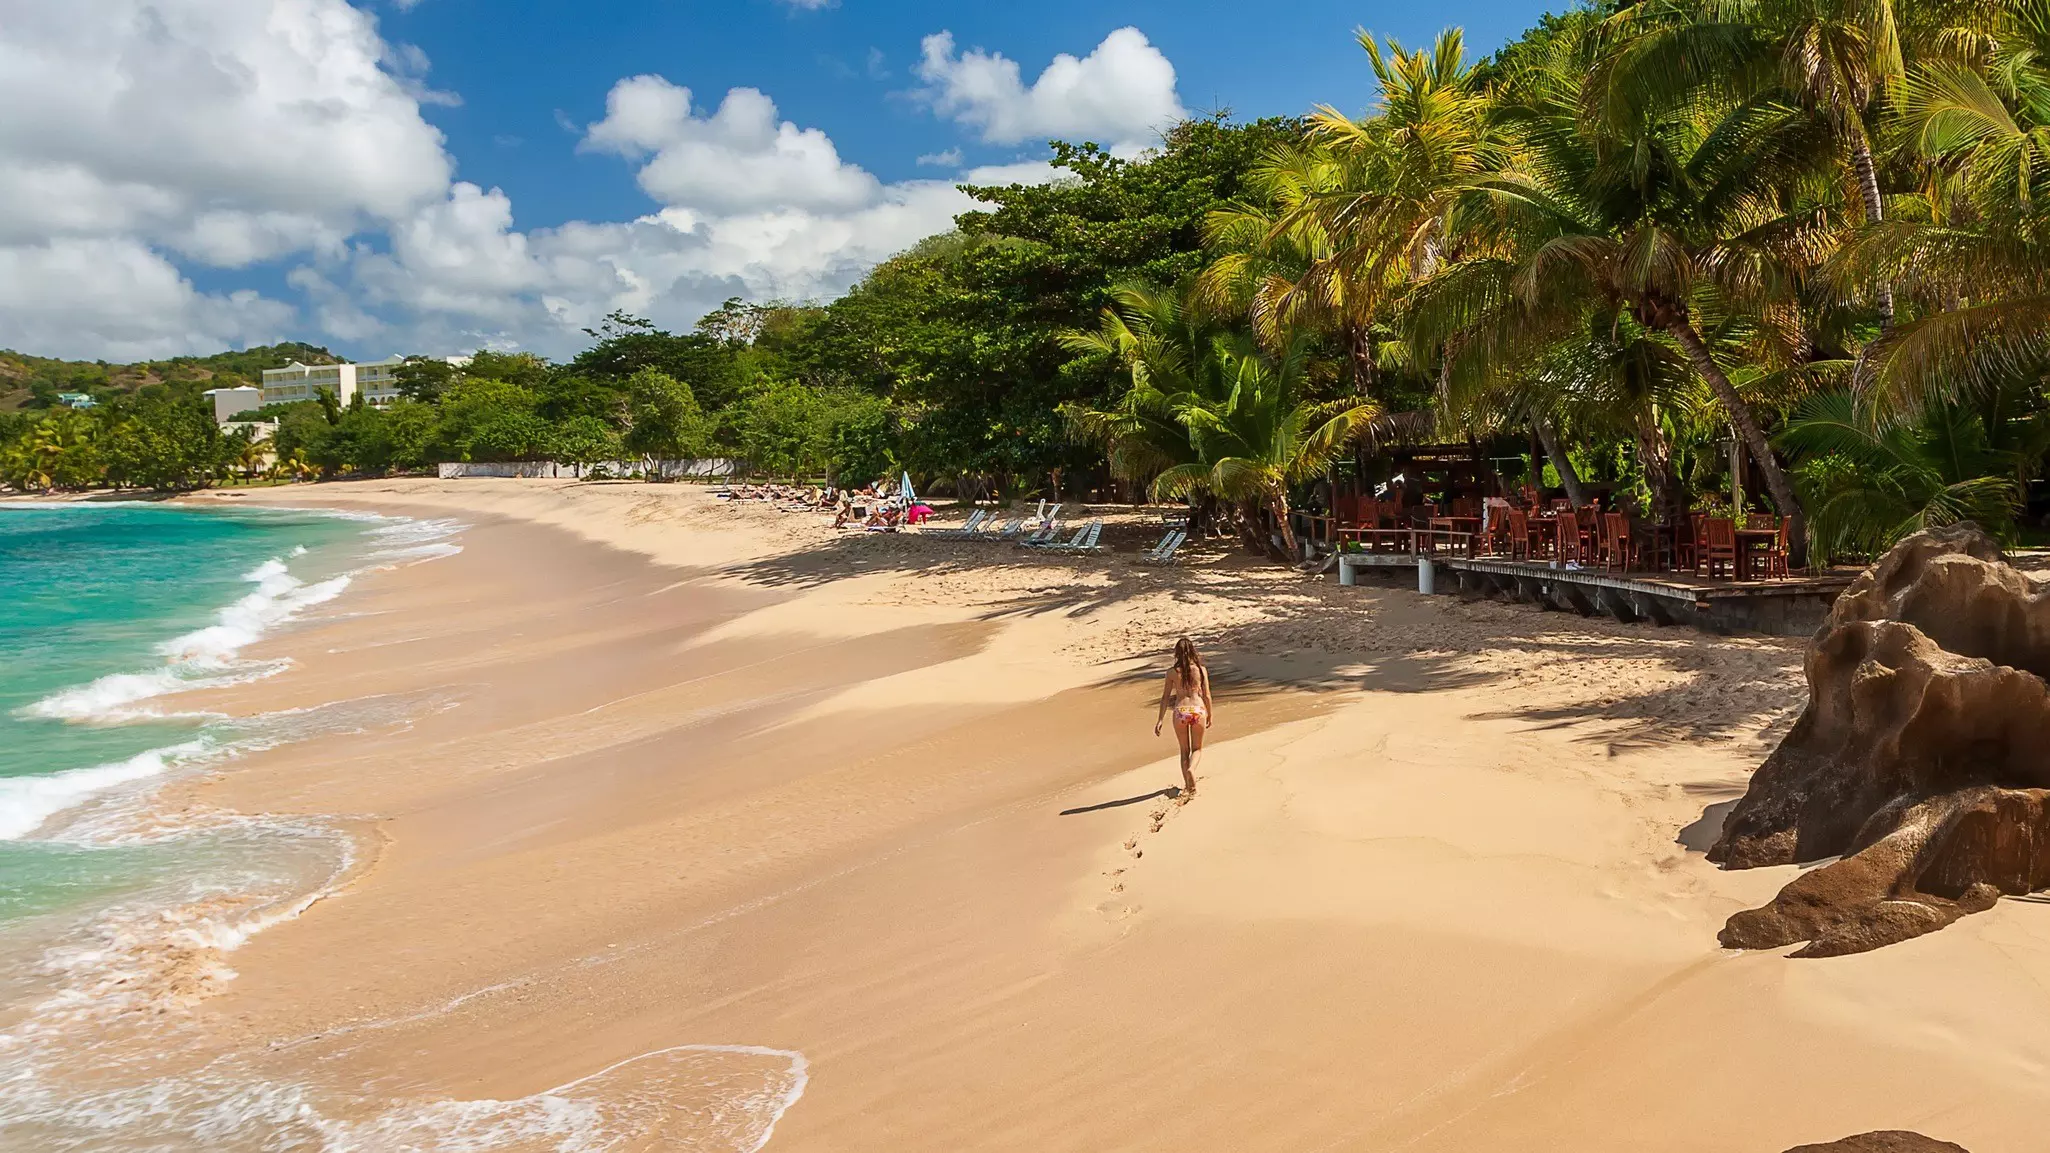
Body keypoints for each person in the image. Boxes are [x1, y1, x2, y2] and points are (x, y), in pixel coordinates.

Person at [1154, 637, 1213, 799]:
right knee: (1197, 749)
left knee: (1184, 751)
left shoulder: (1172, 672)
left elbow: (1165, 697)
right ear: (1193, 651)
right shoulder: (1201, 670)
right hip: (1197, 710)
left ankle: (1188, 785)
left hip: (1180, 711)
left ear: (1177, 653)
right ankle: (1192, 771)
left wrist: (1160, 719)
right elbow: (1207, 695)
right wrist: (1209, 714)